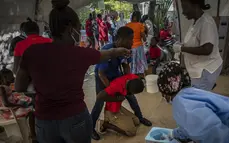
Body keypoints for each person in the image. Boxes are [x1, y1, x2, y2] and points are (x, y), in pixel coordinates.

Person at [14, 0, 130, 142]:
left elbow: (19, 86)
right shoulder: (80, 54)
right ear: (70, 29)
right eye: (78, 27)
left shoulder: (31, 52)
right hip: (75, 119)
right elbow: (108, 53)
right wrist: (121, 51)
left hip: (45, 121)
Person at [157, 61, 229, 143]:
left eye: (163, 94)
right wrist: (174, 134)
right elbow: (191, 125)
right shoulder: (189, 91)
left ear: (167, 91)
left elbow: (214, 134)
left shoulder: (181, 103)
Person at [92, 26, 152, 140]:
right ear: (120, 39)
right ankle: (91, 127)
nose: (132, 42)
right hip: (102, 77)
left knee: (131, 96)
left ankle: (140, 117)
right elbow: (101, 74)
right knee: (99, 101)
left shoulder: (126, 51)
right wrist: (113, 90)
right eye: (130, 39)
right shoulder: (107, 49)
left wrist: (128, 83)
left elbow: (126, 67)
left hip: (115, 75)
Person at [173, 0, 223, 91]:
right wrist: (181, 46)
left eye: (185, 7)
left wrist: (182, 48)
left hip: (205, 69)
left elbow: (207, 49)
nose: (183, 12)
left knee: (199, 98)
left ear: (195, 5)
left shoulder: (206, 23)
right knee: (199, 94)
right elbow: (194, 41)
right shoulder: (196, 22)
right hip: (197, 69)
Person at [126, 11, 148, 77]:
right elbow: (144, 38)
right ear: (139, 17)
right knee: (140, 64)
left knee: (132, 63)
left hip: (130, 47)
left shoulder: (127, 25)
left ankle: (133, 77)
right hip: (138, 47)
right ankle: (140, 77)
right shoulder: (140, 25)